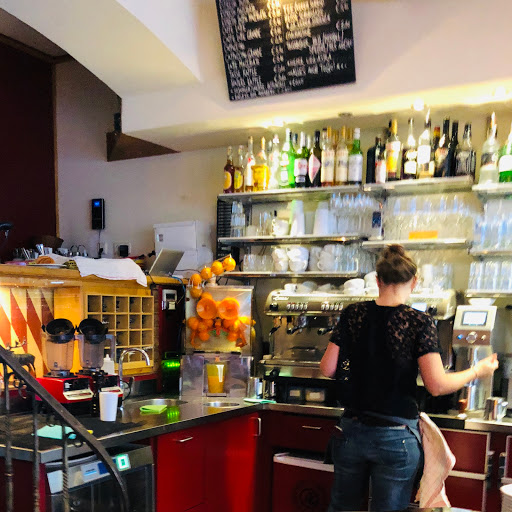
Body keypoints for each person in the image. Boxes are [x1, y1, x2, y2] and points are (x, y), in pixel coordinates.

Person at [320, 244, 498, 512]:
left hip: (351, 432)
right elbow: (436, 385)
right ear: (414, 282)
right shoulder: (419, 322)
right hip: (396, 437)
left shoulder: (352, 314)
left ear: (377, 280)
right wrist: (477, 371)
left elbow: (327, 368)